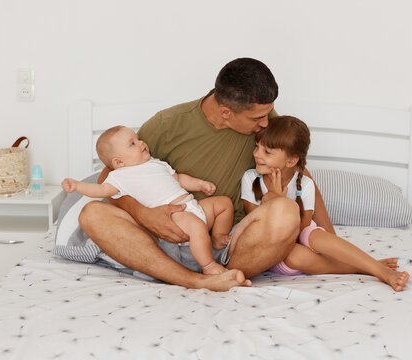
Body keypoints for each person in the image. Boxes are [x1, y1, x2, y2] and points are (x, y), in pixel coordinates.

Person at [78, 57, 325, 291]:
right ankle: (194, 281)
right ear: (227, 112)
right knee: (92, 213)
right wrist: (142, 213)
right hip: (163, 237)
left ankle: (219, 272)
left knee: (286, 212)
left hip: (230, 244)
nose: (265, 123)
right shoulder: (166, 125)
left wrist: (326, 238)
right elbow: (109, 178)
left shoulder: (264, 120)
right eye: (258, 118)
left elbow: (298, 171)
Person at [240, 115, 410, 291]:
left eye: (267, 152)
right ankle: (367, 267)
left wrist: (281, 201)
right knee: (294, 256)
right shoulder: (251, 178)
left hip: (304, 239)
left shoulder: (304, 183)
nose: (256, 154)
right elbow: (255, 227)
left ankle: (379, 270)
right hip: (277, 249)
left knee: (315, 235)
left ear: (291, 160)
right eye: (257, 147)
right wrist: (274, 198)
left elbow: (301, 230)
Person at [62, 125, 233, 275]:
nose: (141, 143)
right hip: (174, 216)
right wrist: (77, 186)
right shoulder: (120, 177)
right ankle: (209, 266)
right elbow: (100, 189)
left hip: (192, 206)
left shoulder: (157, 163)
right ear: (119, 162)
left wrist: (200, 184)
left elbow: (178, 178)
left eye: (138, 139)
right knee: (197, 227)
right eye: (132, 143)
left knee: (224, 204)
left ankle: (217, 237)